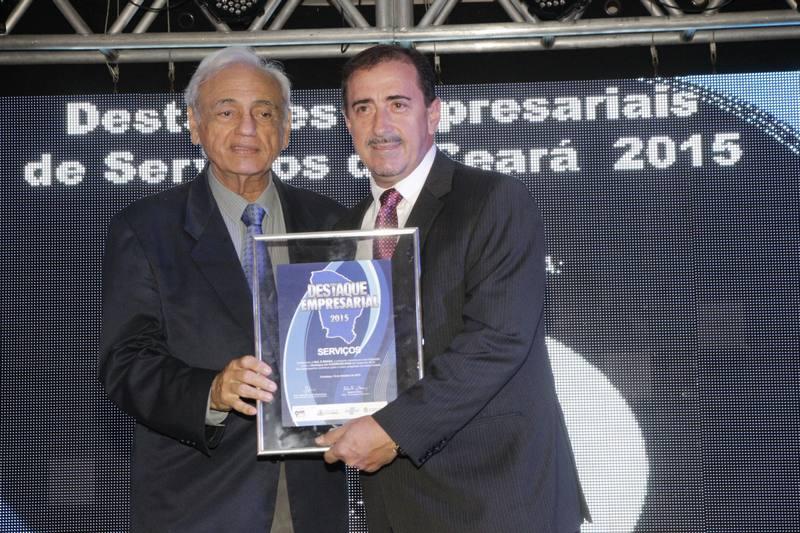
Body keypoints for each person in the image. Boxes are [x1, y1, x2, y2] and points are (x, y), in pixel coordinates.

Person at [316, 45, 591, 532]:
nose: (380, 124)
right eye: (363, 108)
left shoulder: (492, 201)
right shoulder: (341, 233)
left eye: (397, 103)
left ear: (433, 114)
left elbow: (497, 340)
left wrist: (391, 430)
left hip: (496, 499)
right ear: (348, 123)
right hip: (393, 503)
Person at [99, 46, 347, 532]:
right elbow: (126, 364)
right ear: (194, 125)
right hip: (198, 505)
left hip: (313, 502)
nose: (248, 128)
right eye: (226, 112)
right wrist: (211, 391)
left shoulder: (332, 222)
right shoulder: (146, 229)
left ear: (287, 129)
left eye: (264, 112)